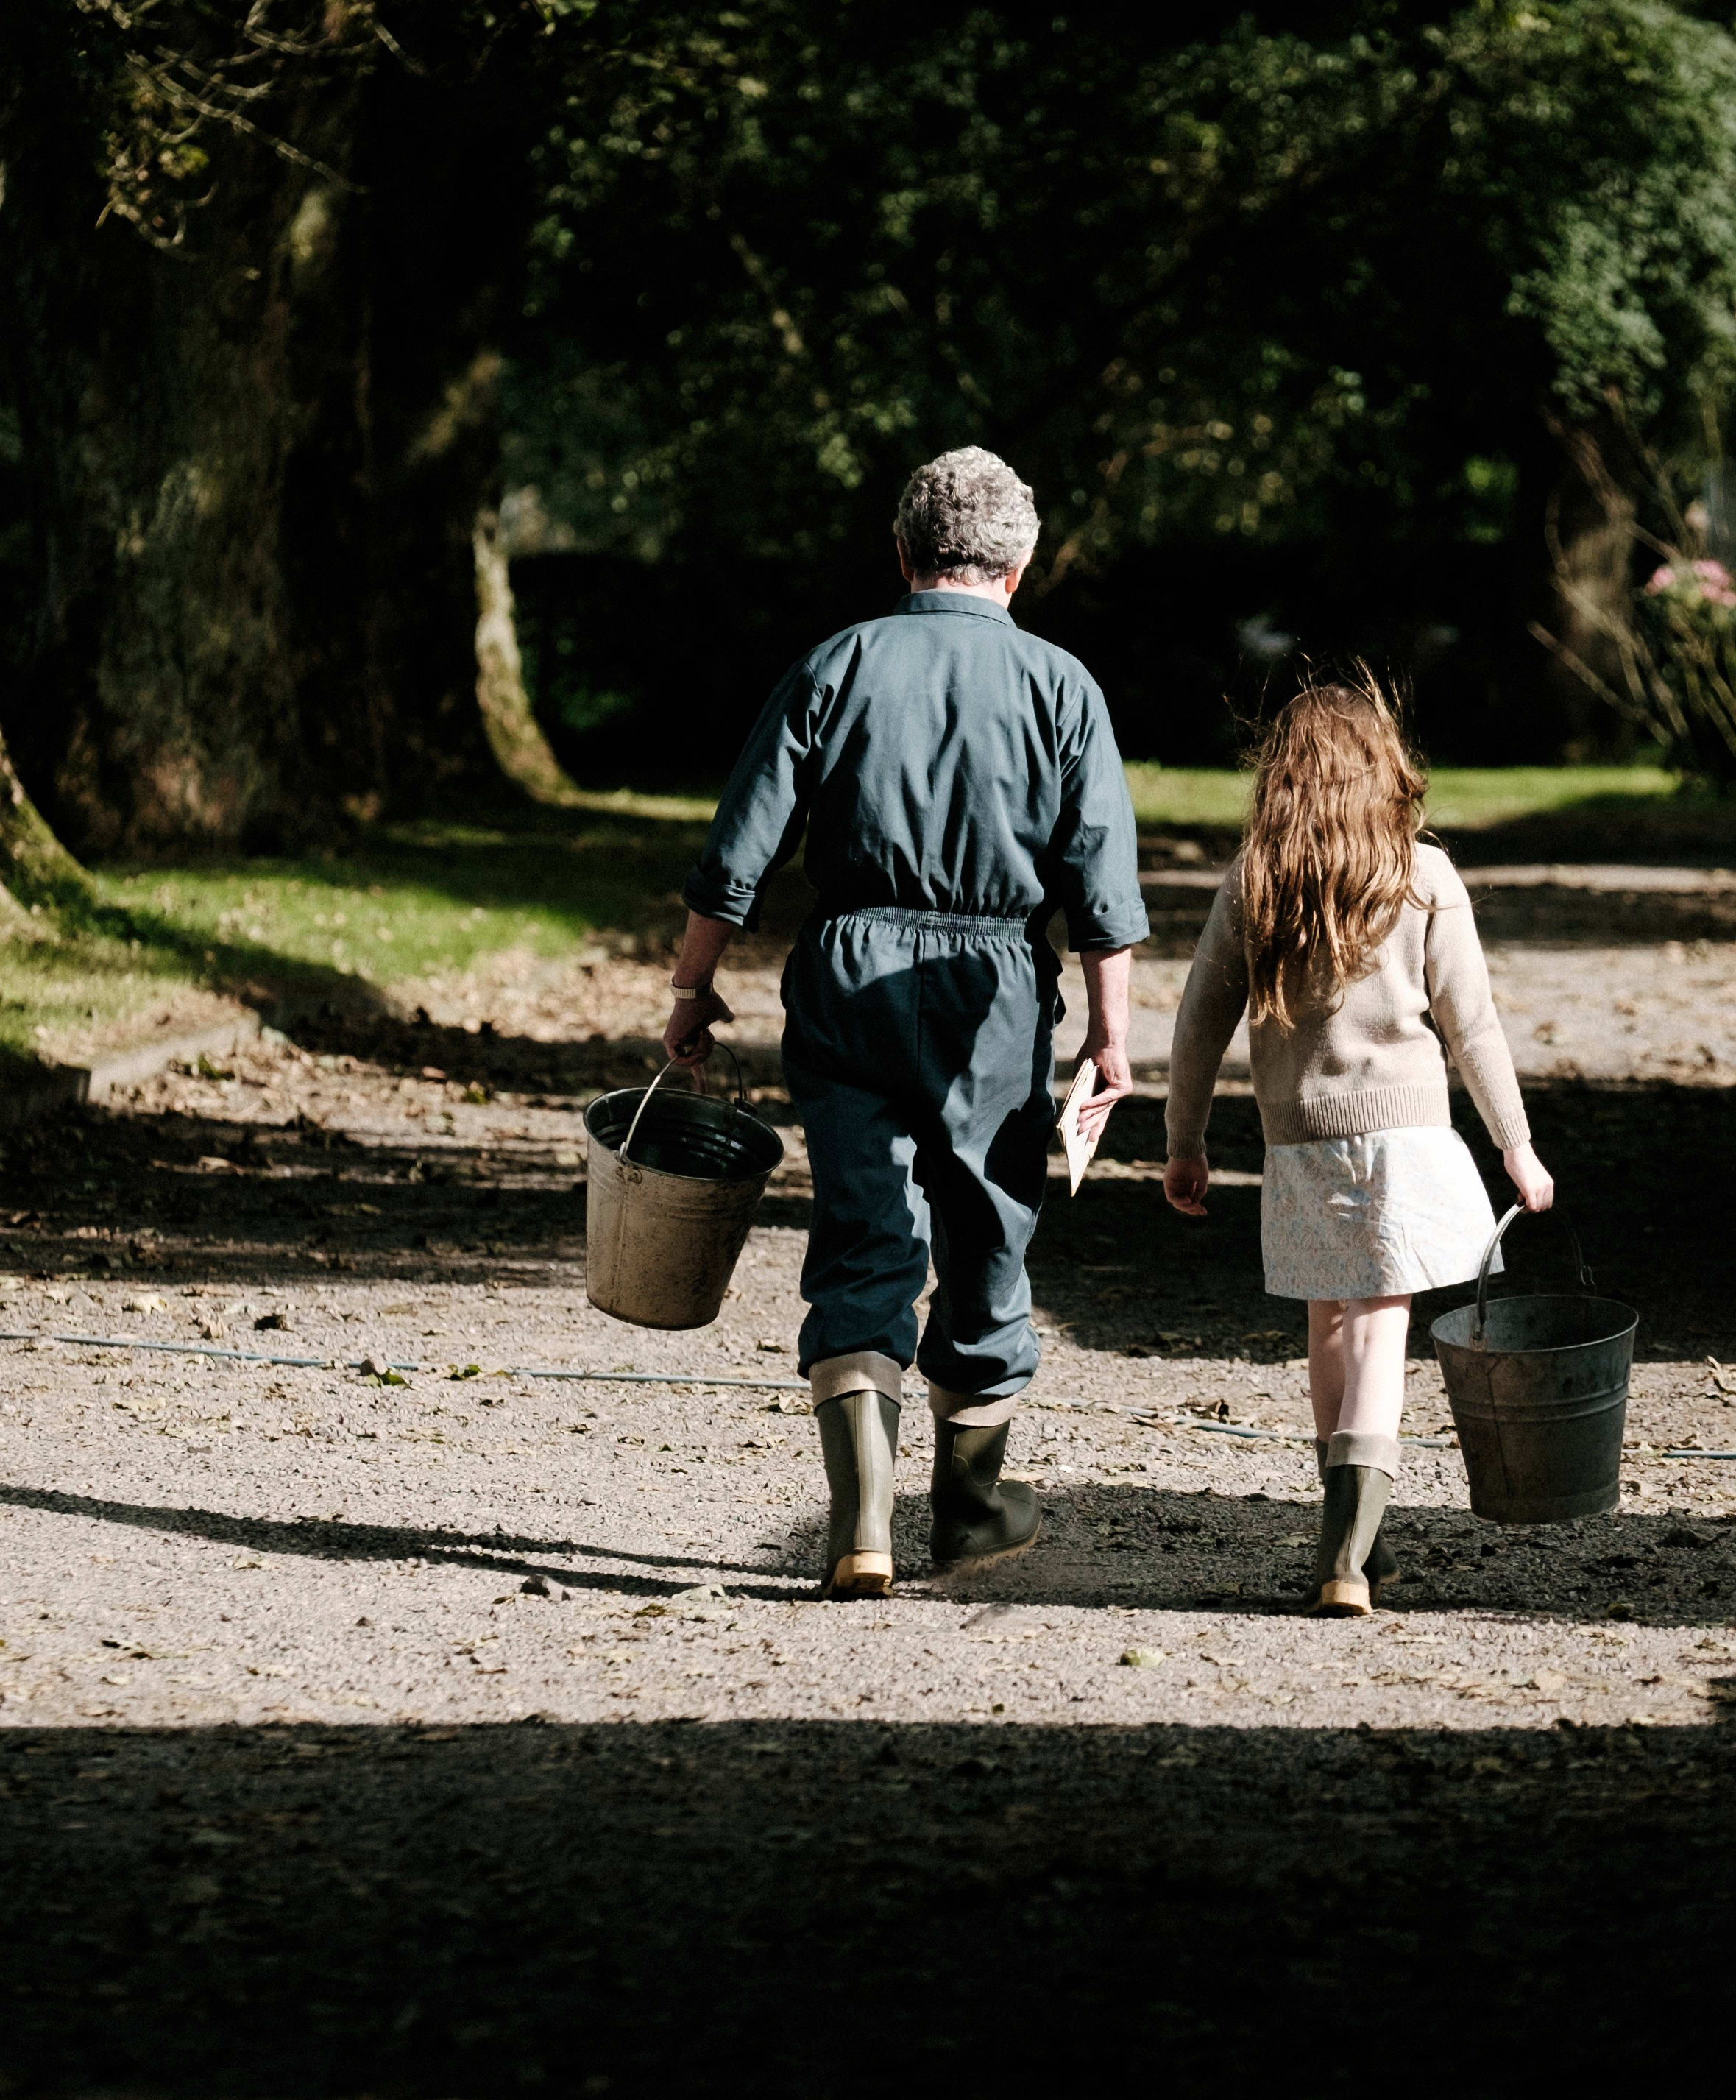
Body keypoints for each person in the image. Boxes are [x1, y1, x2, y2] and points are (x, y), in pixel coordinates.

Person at [663, 448, 1144, 1599]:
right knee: (987, 1223)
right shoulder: (1063, 686)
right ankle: (971, 1511)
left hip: (851, 966)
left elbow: (738, 854)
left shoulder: (838, 663)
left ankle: (862, 1521)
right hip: (996, 989)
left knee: (866, 1227)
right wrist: (1111, 1040)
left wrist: (692, 988)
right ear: (1020, 568)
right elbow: (1104, 893)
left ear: (902, 554)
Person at [1161, 679, 1551, 1616]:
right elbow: (1476, 1030)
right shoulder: (1423, 875)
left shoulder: (1258, 878)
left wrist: (1185, 1140)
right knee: (1381, 1332)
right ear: (1386, 769)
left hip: (1298, 1146)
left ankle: (1356, 1549)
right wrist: (1518, 1148)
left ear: (1282, 778)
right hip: (1406, 1141)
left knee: (1329, 1328)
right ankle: (1344, 1555)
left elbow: (1196, 1022)